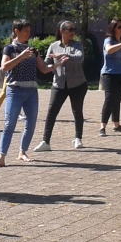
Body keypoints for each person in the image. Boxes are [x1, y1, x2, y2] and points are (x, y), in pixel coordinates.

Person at [0, 19, 67, 168]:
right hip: (15, 90)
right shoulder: (9, 49)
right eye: (25, 31)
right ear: (16, 31)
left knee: (30, 125)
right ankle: (1, 157)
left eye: (29, 31)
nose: (28, 33)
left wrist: (57, 64)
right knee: (9, 125)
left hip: (31, 91)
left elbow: (44, 69)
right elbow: (4, 67)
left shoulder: (33, 50)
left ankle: (22, 152)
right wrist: (21, 57)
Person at [33, 21, 88, 152]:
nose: (73, 32)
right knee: (51, 112)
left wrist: (63, 55)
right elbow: (46, 65)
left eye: (74, 29)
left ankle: (78, 138)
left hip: (77, 84)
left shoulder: (77, 45)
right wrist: (37, 57)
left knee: (77, 111)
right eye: (70, 29)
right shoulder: (53, 46)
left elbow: (79, 58)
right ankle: (45, 142)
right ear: (62, 31)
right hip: (58, 84)